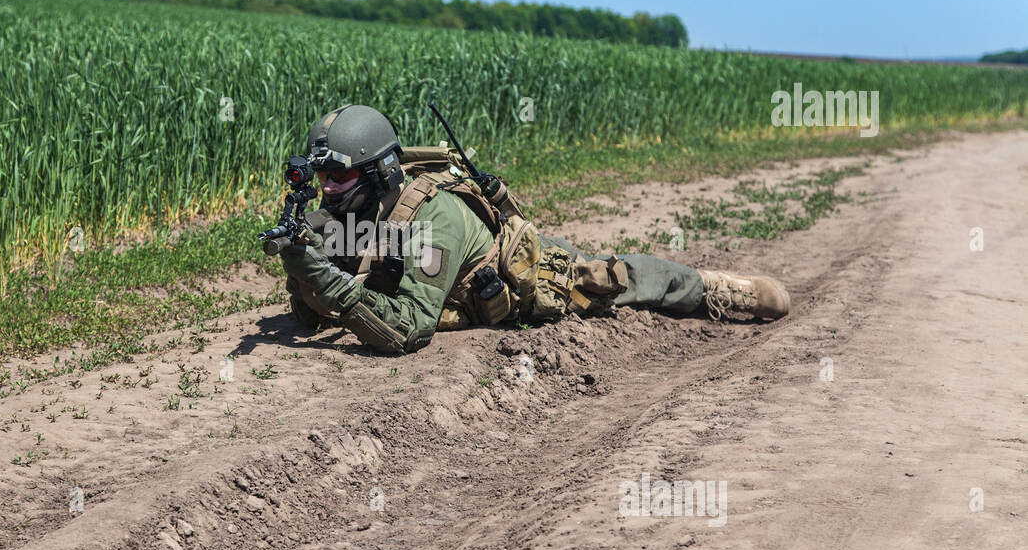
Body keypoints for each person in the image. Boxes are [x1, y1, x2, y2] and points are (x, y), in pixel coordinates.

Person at [279, 105, 789, 355]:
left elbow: (410, 328)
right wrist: (303, 261)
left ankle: (714, 288)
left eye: (337, 175)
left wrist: (323, 279)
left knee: (613, 279)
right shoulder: (348, 210)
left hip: (527, 276)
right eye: (319, 175)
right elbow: (314, 317)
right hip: (450, 288)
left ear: (378, 172)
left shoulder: (434, 218)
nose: (326, 188)